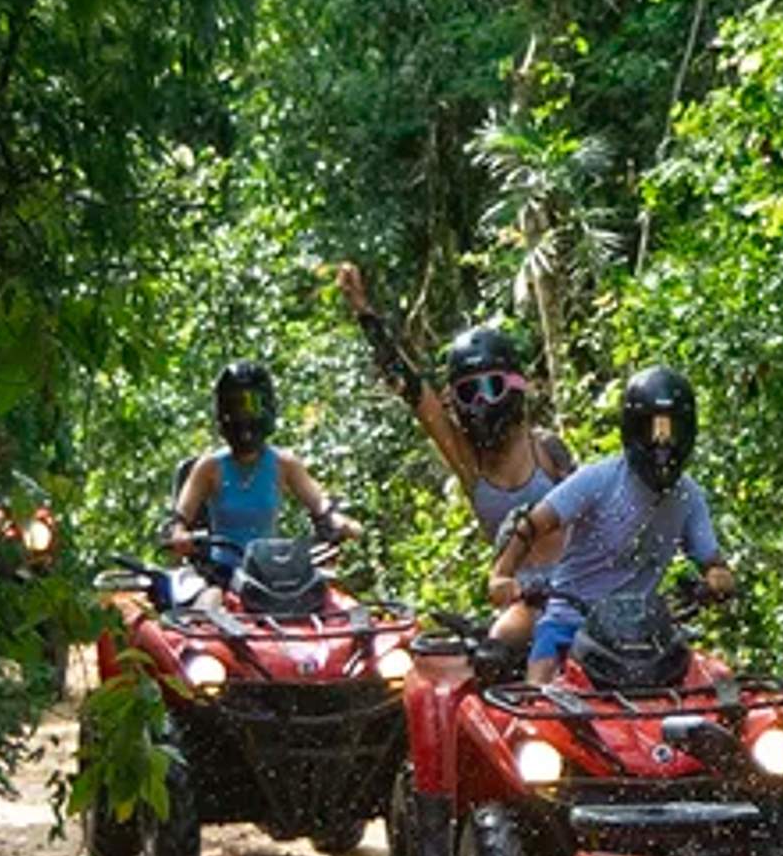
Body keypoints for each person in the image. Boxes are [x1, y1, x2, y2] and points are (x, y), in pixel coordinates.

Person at [334, 262, 572, 641]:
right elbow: (412, 390)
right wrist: (365, 313)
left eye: (491, 387)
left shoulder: (548, 451)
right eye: (468, 392)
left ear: (514, 385)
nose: (481, 401)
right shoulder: (468, 461)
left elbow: (594, 513)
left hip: (575, 591)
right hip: (518, 603)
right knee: (499, 646)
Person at [500, 364, 738, 669]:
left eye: (671, 430)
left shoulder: (688, 495)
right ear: (632, 429)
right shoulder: (598, 480)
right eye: (651, 429)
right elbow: (532, 524)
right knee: (540, 687)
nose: (661, 443)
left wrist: (717, 577)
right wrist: (502, 574)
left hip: (643, 634)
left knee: (708, 679)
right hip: (572, 620)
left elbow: (711, 560)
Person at [162, 361, 355, 584]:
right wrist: (178, 535)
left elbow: (319, 503)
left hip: (271, 572)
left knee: (326, 601)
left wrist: (337, 520)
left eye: (251, 405)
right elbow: (179, 517)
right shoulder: (209, 467)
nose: (243, 415)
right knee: (207, 604)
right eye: (234, 407)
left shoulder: (285, 463)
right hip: (220, 574)